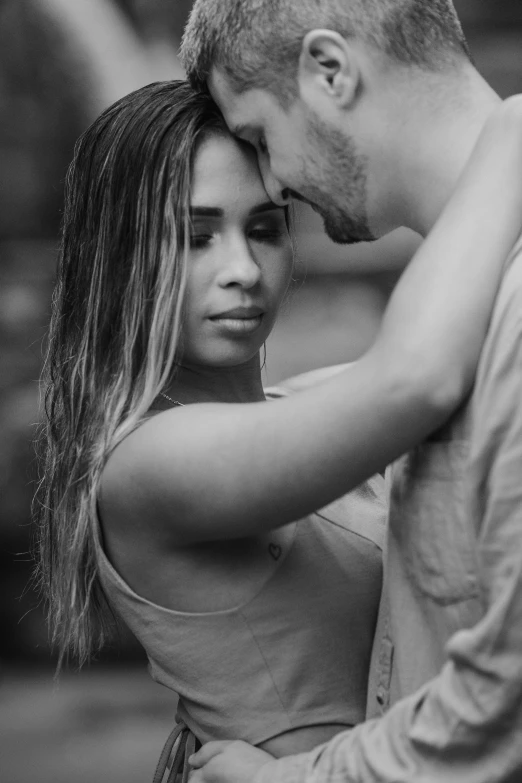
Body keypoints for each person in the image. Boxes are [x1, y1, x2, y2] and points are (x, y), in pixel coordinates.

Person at [35, 78, 522, 777]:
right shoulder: (146, 466)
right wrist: (504, 133)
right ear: (117, 257)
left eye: (264, 228)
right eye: (193, 236)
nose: (242, 269)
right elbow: (414, 378)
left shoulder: (303, 407)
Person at [179, 1, 522, 782]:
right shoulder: (467, 301)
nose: (274, 183)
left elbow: (509, 706)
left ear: (329, 70)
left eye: (261, 138)